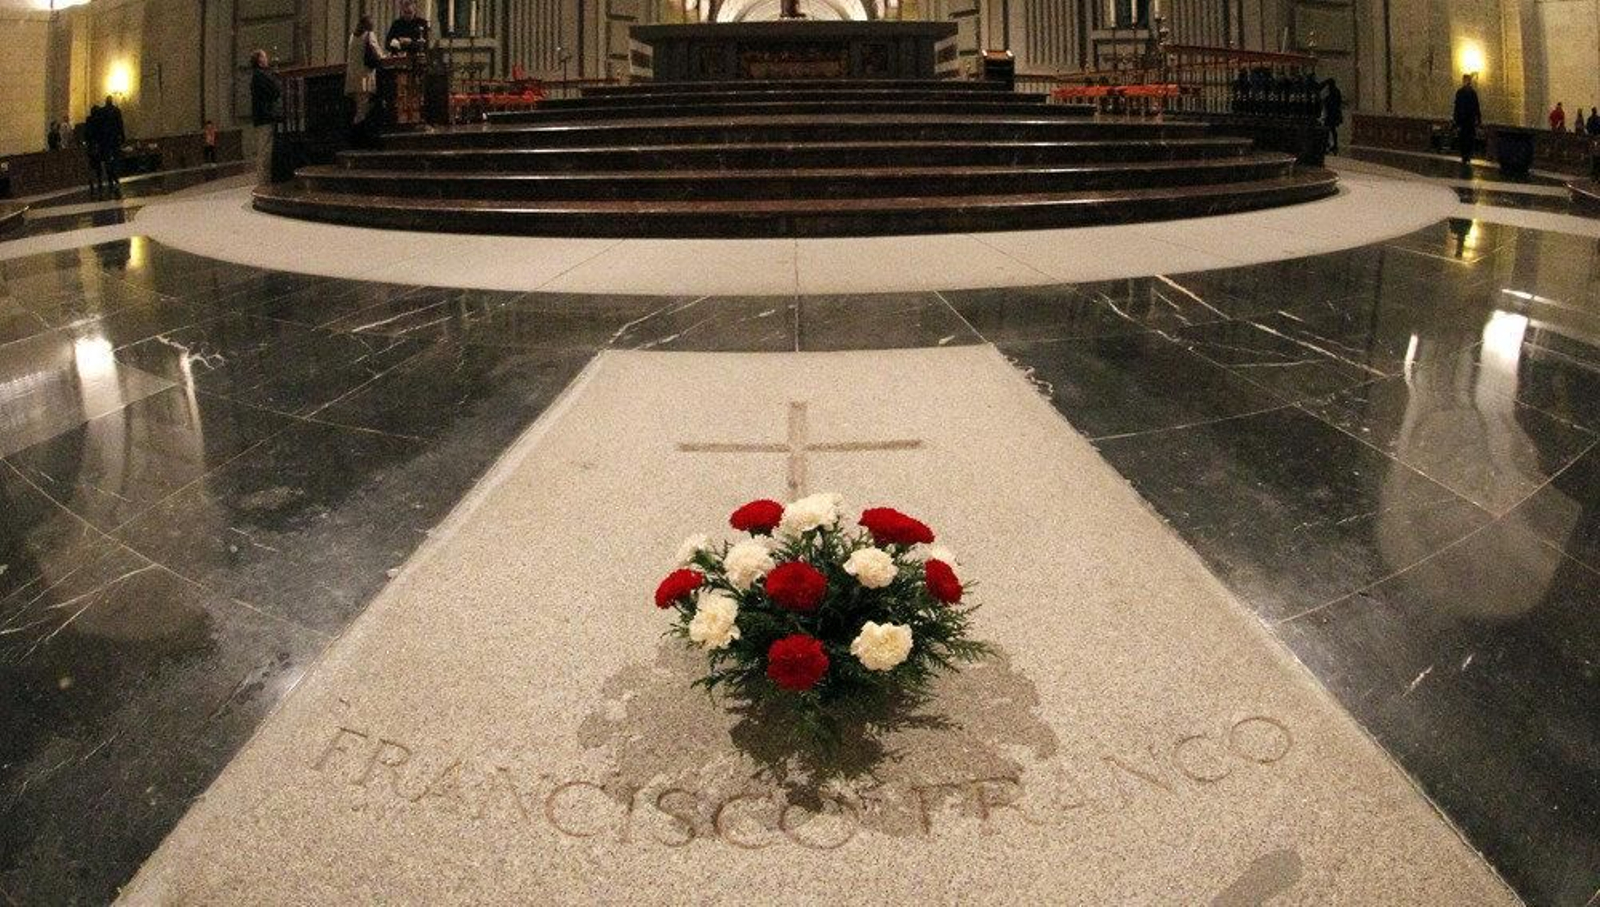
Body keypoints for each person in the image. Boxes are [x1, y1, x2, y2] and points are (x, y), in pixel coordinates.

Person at [347, 15, 384, 146]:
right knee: (362, 111)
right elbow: (378, 54)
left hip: (353, 77)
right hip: (364, 77)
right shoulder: (369, 35)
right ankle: (358, 139)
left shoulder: (353, 36)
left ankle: (358, 137)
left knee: (360, 108)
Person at [249, 49, 282, 185]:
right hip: (264, 117)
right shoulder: (259, 76)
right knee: (265, 151)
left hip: (263, 117)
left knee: (265, 150)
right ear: (260, 61)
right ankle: (263, 182)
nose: (267, 59)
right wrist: (274, 77)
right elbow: (275, 91)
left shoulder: (259, 75)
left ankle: (265, 180)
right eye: (264, 57)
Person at [98, 95, 126, 192]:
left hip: (105, 141)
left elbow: (100, 127)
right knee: (115, 159)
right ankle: (115, 177)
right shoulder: (116, 111)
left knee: (107, 160)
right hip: (114, 140)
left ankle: (110, 177)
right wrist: (122, 137)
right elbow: (120, 124)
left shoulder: (101, 112)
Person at [1453, 74, 1481, 166]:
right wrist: (1456, 120)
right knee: (1463, 139)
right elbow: (1457, 107)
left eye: (1467, 80)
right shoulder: (1460, 92)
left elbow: (1476, 106)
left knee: (1469, 139)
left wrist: (1478, 119)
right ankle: (1464, 156)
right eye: (1465, 80)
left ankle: (1468, 156)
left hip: (1470, 120)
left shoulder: (1473, 93)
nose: (1466, 82)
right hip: (1462, 120)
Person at [83, 102, 104, 193]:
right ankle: (99, 182)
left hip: (90, 146)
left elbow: (85, 134)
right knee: (98, 165)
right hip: (98, 146)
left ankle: (91, 181)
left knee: (91, 165)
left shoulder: (88, 121)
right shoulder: (99, 121)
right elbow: (101, 134)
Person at [1322, 78, 1344, 154]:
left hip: (1331, 113)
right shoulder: (1336, 91)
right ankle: (1333, 144)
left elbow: (1329, 101)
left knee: (1328, 129)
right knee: (1332, 129)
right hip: (1334, 113)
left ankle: (1328, 144)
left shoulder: (1332, 91)